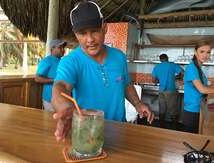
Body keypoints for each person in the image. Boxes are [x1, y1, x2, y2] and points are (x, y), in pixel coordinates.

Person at [51, 1, 154, 142]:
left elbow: (126, 84)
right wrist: (67, 108)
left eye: (94, 31)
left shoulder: (119, 56)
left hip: (120, 131)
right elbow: (60, 87)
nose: (90, 39)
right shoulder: (70, 61)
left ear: (104, 28)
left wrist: (138, 104)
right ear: (76, 35)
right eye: (82, 33)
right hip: (88, 134)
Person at [183, 42, 214, 133]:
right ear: (195, 52)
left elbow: (204, 86)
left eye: (208, 52)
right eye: (202, 51)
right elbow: (202, 89)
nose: (205, 55)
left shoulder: (198, 68)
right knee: (192, 139)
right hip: (193, 110)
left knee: (200, 137)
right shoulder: (192, 68)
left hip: (200, 107)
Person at [152, 53, 184, 128]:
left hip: (161, 91)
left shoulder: (157, 67)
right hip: (171, 90)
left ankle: (161, 126)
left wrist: (161, 81)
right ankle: (174, 128)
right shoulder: (172, 65)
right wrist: (177, 77)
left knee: (162, 109)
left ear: (160, 59)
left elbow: (153, 80)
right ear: (167, 58)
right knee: (173, 110)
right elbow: (183, 72)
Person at [35, 39, 66, 112]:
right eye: (60, 47)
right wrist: (55, 80)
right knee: (50, 122)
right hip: (50, 99)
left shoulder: (62, 61)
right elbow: (37, 78)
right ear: (52, 48)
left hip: (62, 98)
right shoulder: (46, 61)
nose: (63, 50)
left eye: (63, 48)